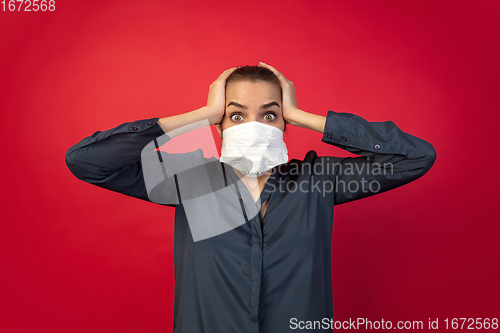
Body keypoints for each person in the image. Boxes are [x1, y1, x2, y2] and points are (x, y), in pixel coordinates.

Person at [65, 62, 437, 332]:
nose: (255, 126)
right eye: (237, 116)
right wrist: (201, 114)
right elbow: (87, 161)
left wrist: (300, 113)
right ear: (220, 125)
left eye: (270, 116)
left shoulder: (319, 180)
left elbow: (416, 157)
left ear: (284, 126)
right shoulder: (188, 179)